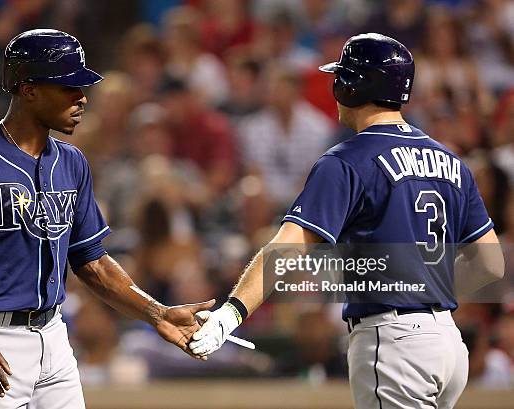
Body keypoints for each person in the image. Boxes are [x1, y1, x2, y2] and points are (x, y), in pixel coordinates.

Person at [190, 33, 505, 409]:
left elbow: (288, 247)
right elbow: (491, 263)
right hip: (448, 344)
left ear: (354, 85)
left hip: (394, 341)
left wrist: (232, 312)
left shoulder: (346, 160)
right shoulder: (451, 161)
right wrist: (428, 295)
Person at [0, 29, 214, 409]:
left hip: (54, 336)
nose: (82, 97)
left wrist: (157, 314)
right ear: (29, 89)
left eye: (82, 86)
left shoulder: (71, 162)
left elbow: (94, 263)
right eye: (68, 87)